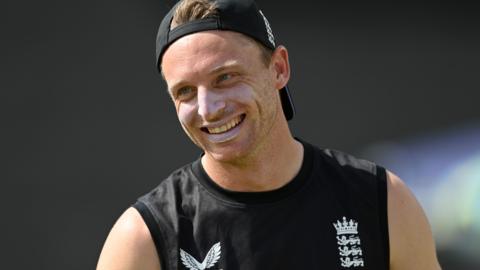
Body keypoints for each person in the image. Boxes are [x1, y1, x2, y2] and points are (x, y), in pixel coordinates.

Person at [97, 0, 441, 269]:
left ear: (278, 69)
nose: (208, 108)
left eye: (226, 78)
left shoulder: (383, 201)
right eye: (185, 91)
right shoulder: (143, 238)